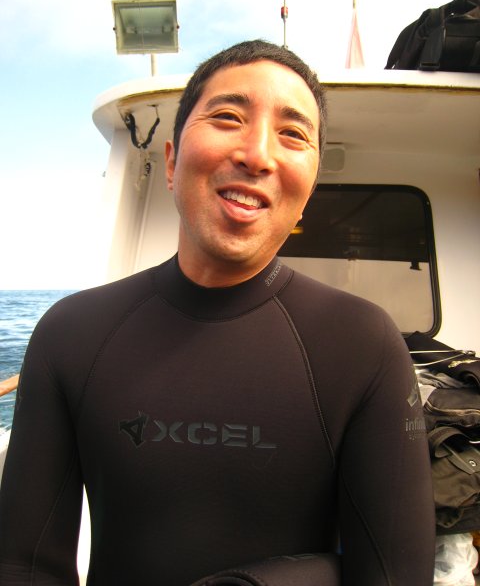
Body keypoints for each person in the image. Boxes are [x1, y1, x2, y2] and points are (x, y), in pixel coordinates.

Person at [0, 39, 435, 585]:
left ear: (308, 191)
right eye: (228, 117)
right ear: (172, 161)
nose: (258, 155)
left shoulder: (362, 345)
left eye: (293, 134)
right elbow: (23, 566)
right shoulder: (70, 334)